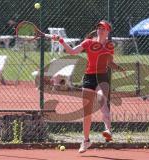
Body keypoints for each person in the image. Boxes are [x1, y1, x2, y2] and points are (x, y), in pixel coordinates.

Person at [52, 20, 126, 153]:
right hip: (89, 78)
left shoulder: (109, 45)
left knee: (102, 101)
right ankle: (86, 141)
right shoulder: (88, 42)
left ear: (108, 31)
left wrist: (120, 68)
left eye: (103, 28)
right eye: (99, 28)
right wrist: (61, 41)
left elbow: (110, 62)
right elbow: (73, 51)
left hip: (102, 77)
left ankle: (108, 131)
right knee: (87, 113)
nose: (100, 30)